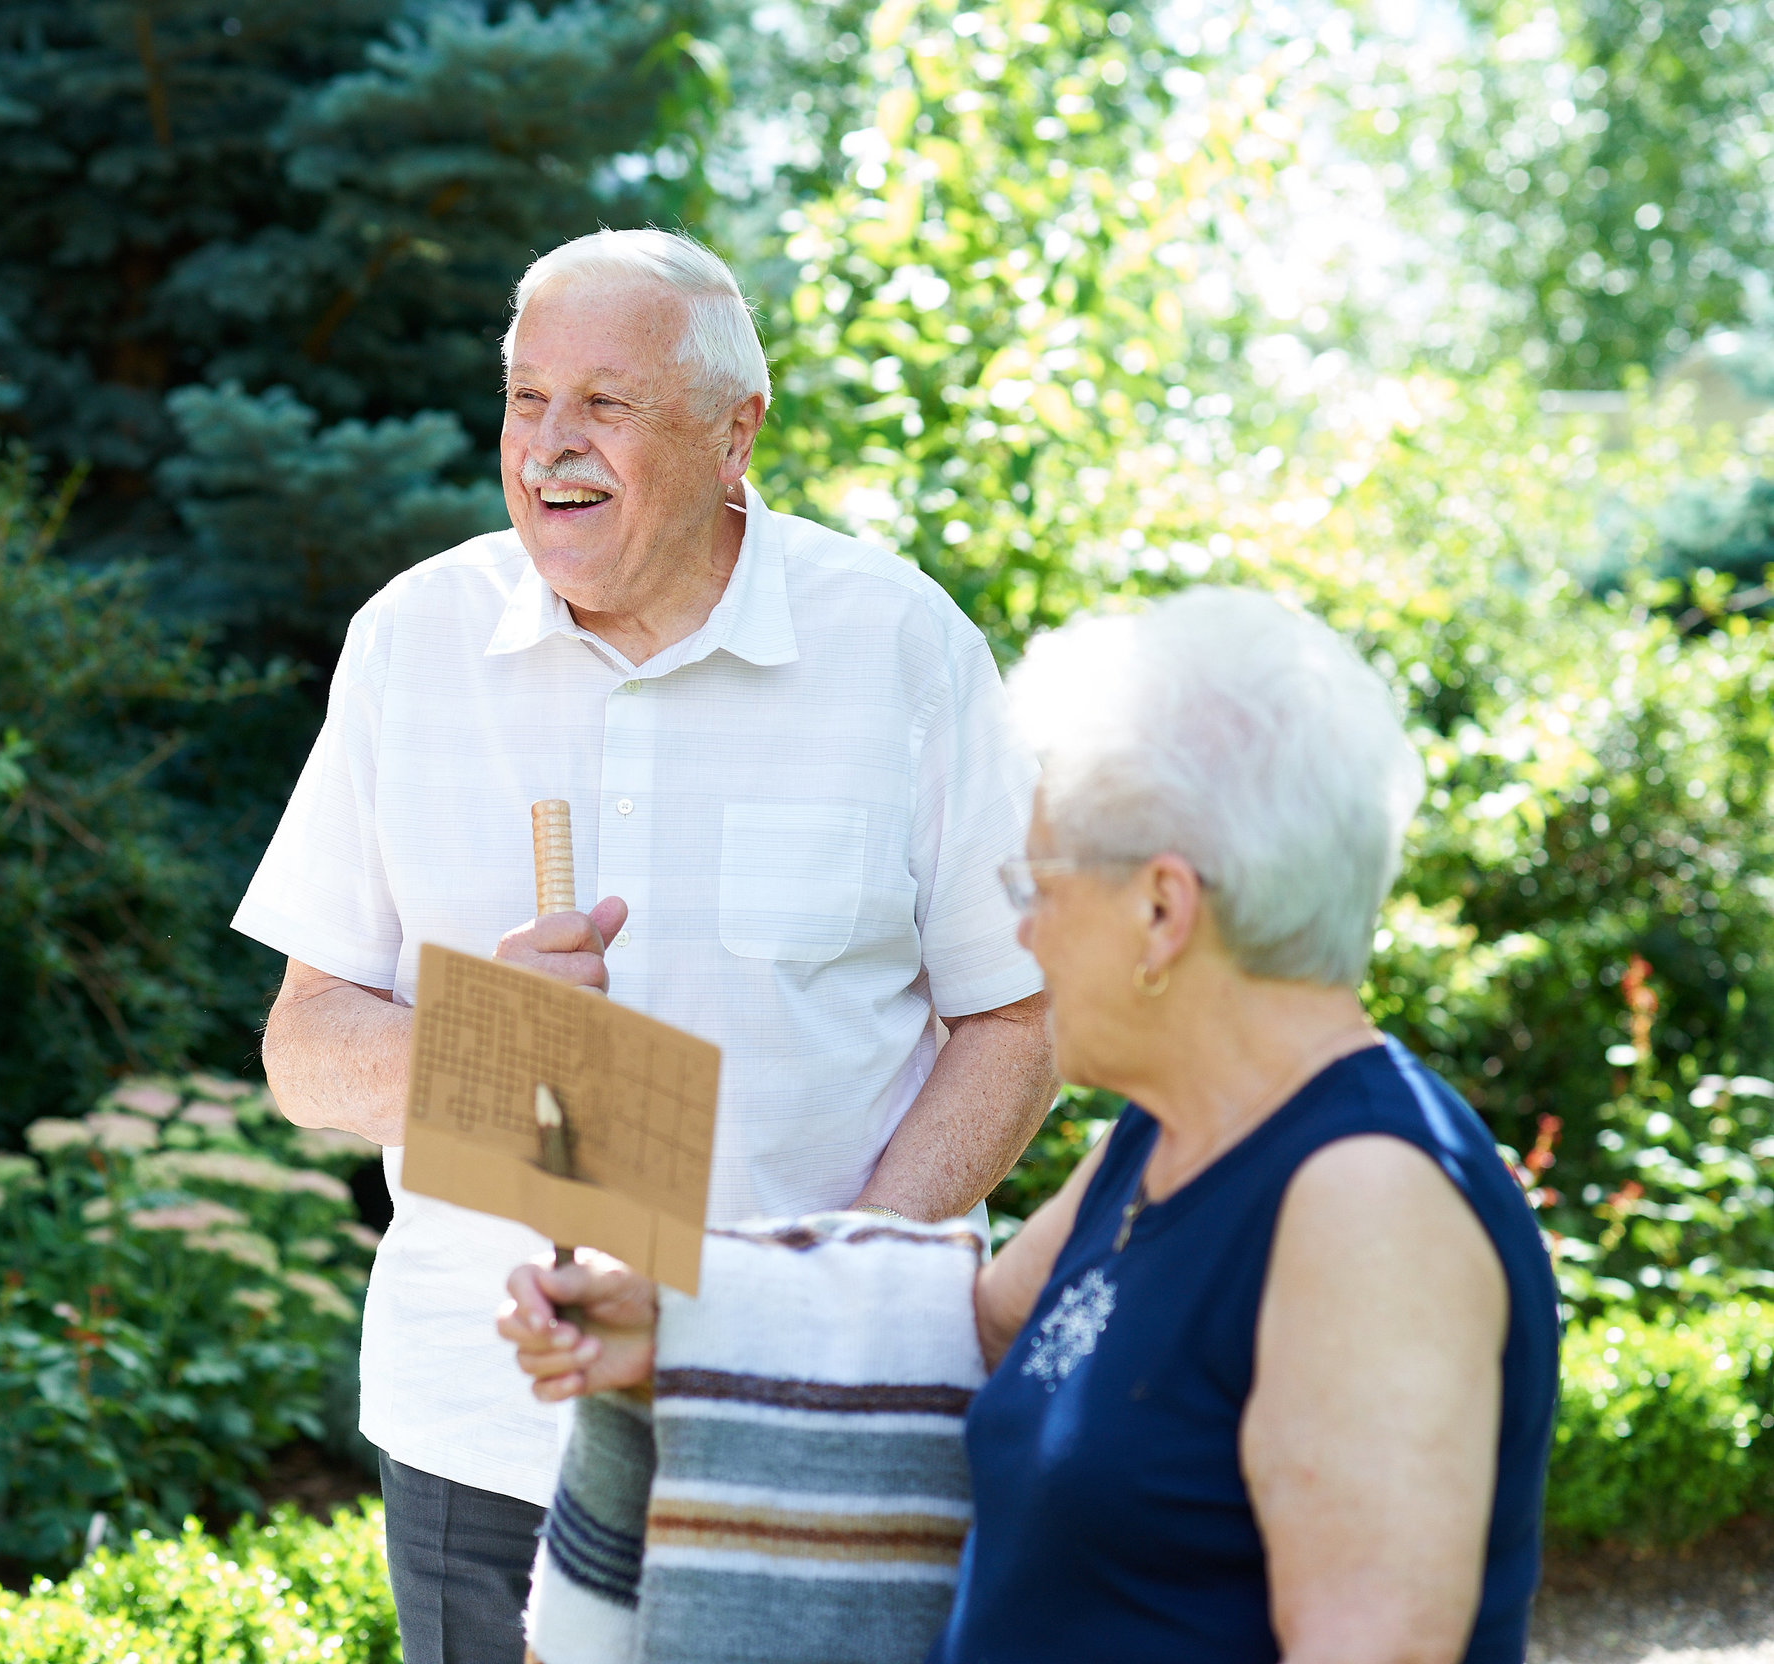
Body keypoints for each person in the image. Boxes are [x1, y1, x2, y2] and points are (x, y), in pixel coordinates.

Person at [236, 227, 1057, 1664]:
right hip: (487, 1433)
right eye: (526, 398)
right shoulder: (409, 643)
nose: (550, 445)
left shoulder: (899, 646)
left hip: (817, 1424)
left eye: (603, 406)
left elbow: (1017, 1023)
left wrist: (823, 1299)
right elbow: (303, 1053)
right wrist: (475, 1048)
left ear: (735, 433)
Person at [503, 588, 1561, 1664]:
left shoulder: (1366, 1204)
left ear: (1161, 910)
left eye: (1039, 882)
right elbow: (968, 1324)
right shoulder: (1164, 1134)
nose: (1021, 929)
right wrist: (678, 1325)